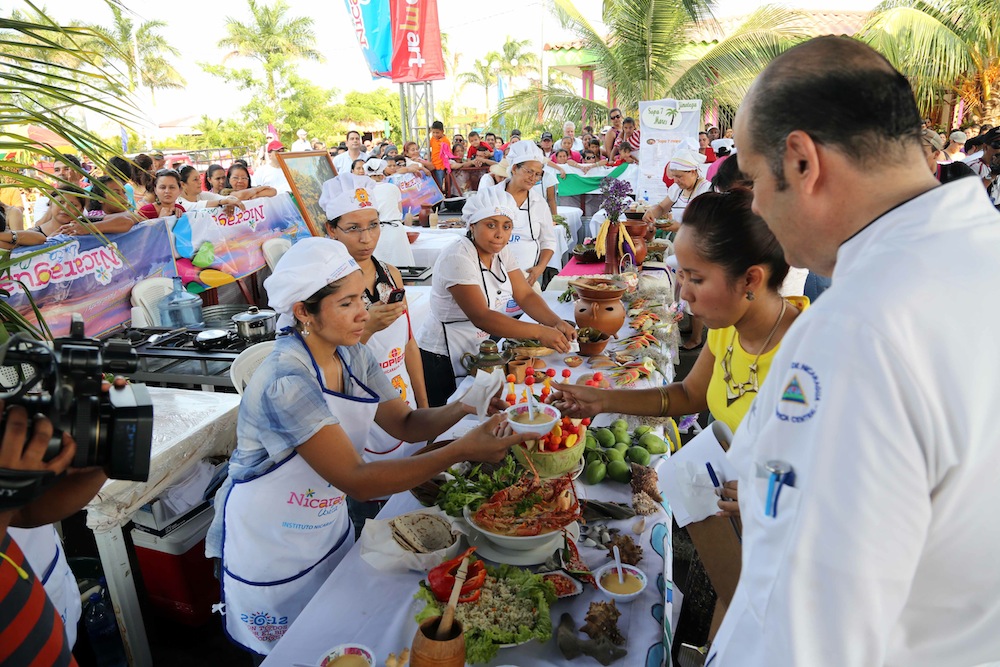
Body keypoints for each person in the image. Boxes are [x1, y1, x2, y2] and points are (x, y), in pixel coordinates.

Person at [693, 35, 1000, 666]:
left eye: (753, 178)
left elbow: (803, 632)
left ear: (802, 162)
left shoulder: (858, 331)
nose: (752, 203)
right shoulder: (977, 256)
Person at [205, 236, 530, 658]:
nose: (364, 312)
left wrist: (468, 405)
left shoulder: (351, 355)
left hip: (323, 522)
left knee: (337, 639)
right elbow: (359, 482)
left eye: (362, 296)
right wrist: (461, 449)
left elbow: (406, 423)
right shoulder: (288, 381)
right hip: (272, 542)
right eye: (346, 303)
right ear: (303, 311)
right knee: (292, 654)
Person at [553, 188, 806, 637]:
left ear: (750, 279)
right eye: (679, 274)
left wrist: (768, 497)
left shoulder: (808, 359)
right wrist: (603, 399)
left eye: (695, 277)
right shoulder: (729, 330)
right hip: (729, 532)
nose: (682, 293)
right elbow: (686, 396)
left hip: (789, 555)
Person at [415, 187, 575, 407]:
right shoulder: (458, 257)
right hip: (443, 356)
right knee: (451, 420)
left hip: (480, 347)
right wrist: (540, 332)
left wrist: (556, 322)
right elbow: (481, 316)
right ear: (472, 225)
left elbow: (525, 294)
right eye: (491, 225)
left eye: (506, 226)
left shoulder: (501, 252)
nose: (500, 234)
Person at [488, 140, 558, 288]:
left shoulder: (538, 203)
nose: (533, 178)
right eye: (529, 171)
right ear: (514, 168)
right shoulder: (490, 197)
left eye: (538, 174)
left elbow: (548, 241)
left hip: (528, 277)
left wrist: (539, 269)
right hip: (491, 278)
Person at [362, 158, 414, 267]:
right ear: (382, 175)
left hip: (375, 231)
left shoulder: (363, 192)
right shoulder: (393, 188)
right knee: (403, 268)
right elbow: (400, 211)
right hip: (395, 230)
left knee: (378, 270)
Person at [32, 155, 84, 223]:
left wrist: (74, 187)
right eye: (57, 170)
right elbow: (39, 228)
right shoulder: (43, 201)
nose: (61, 173)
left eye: (66, 169)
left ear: (80, 175)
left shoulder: (90, 198)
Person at [176, 165, 245, 211]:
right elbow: (197, 206)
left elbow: (224, 198)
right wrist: (224, 202)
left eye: (199, 178)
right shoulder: (178, 203)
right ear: (183, 184)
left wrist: (229, 202)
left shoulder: (202, 195)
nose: (200, 182)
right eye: (195, 179)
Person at [428, 121, 450, 190]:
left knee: (439, 184)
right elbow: (428, 145)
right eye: (433, 132)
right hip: (432, 165)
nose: (435, 134)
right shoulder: (433, 139)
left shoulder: (445, 141)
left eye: (437, 132)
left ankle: (440, 198)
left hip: (440, 166)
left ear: (442, 131)